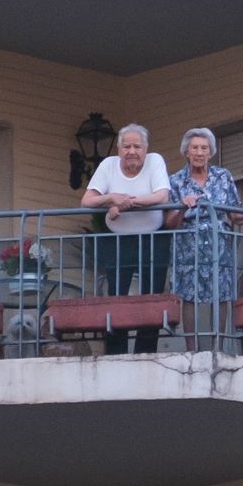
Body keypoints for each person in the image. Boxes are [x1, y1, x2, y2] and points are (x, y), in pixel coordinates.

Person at [166, 127, 243, 350]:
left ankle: (218, 347)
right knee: (189, 294)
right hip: (188, 244)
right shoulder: (176, 181)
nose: (199, 153)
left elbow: (235, 215)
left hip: (220, 244)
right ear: (186, 153)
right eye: (195, 148)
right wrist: (182, 206)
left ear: (210, 152)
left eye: (204, 148)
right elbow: (170, 223)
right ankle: (192, 348)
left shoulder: (223, 176)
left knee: (221, 293)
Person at [81, 123, 171, 354]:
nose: (132, 151)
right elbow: (87, 201)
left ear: (146, 148)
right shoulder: (108, 165)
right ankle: (115, 352)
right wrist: (112, 197)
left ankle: (146, 352)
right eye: (127, 146)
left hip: (152, 238)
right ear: (119, 149)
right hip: (119, 240)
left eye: (137, 146)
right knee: (116, 296)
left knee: (152, 296)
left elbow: (162, 196)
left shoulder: (155, 161)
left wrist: (127, 204)